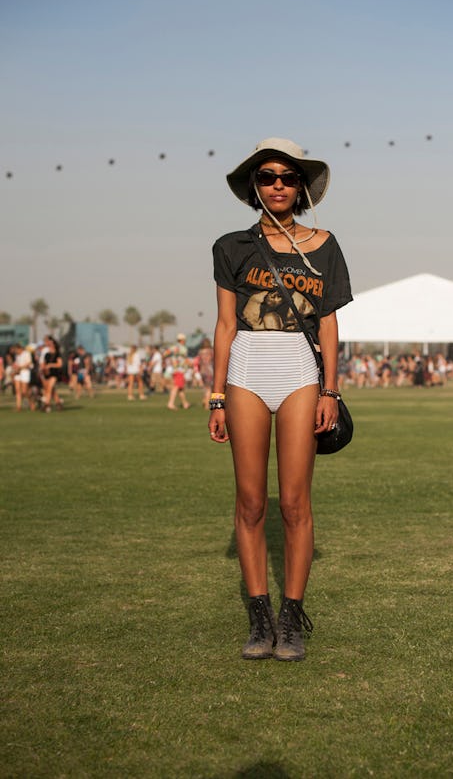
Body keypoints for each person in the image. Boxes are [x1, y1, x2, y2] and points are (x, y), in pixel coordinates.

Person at [209, 138, 353, 661]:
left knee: (294, 502)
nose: (278, 184)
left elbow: (332, 325)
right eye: (268, 176)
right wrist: (217, 394)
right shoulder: (231, 247)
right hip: (247, 367)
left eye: (288, 177)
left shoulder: (326, 245)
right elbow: (226, 325)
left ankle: (291, 621)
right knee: (250, 502)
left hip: (300, 370)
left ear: (302, 187)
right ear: (254, 184)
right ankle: (259, 620)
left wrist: (331, 390)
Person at [167, 334, 190, 410]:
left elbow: (165, 353)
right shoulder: (183, 348)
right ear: (183, 340)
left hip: (174, 369)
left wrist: (172, 358)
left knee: (180, 388)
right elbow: (186, 359)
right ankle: (171, 403)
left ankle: (185, 403)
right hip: (180, 370)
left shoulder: (173, 347)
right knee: (176, 387)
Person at [41, 335, 63, 411]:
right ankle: (59, 403)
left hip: (55, 374)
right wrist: (43, 369)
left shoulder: (57, 354)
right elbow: (44, 363)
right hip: (47, 374)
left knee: (50, 388)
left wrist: (51, 365)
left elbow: (60, 364)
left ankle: (46, 404)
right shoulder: (46, 354)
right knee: (51, 390)